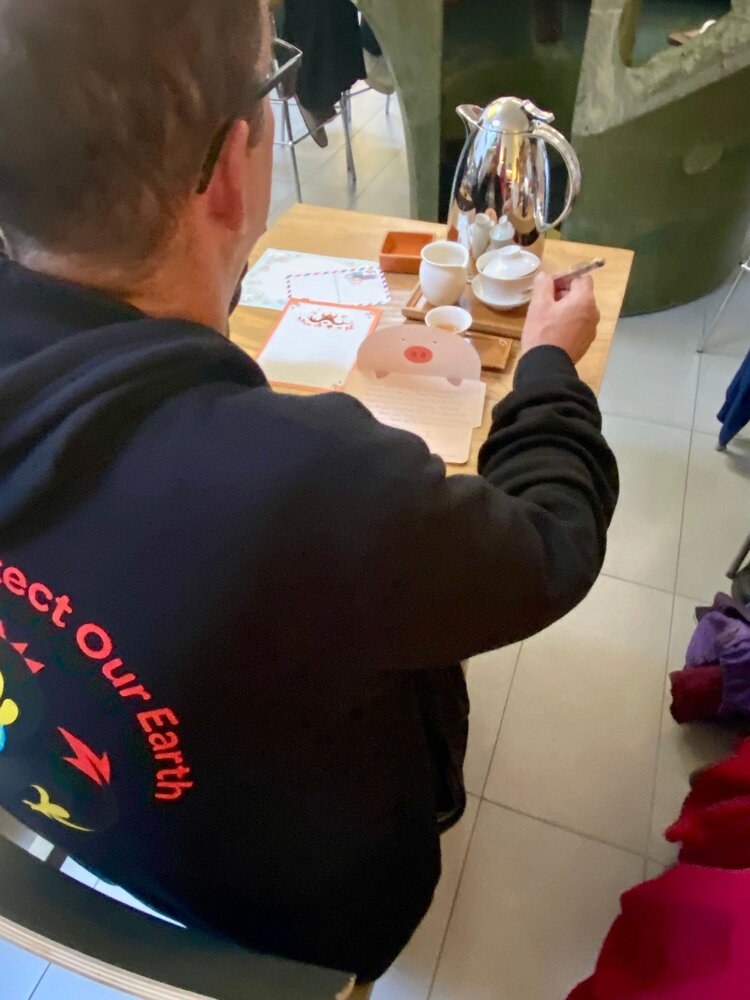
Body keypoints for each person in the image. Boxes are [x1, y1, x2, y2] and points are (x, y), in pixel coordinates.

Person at [0, 0, 617, 984]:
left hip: (87, 823)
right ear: (230, 169)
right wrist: (546, 366)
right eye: (269, 79)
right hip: (305, 916)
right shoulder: (311, 486)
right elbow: (551, 546)